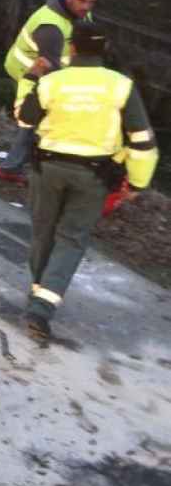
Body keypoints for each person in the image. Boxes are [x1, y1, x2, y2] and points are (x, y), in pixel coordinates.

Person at [15, 22, 158, 342]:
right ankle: (41, 306)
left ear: (72, 47)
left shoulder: (52, 81)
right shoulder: (121, 86)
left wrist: (30, 78)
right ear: (104, 50)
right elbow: (142, 140)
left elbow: (24, 118)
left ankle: (40, 295)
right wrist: (136, 183)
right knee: (72, 239)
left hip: (48, 169)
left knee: (44, 232)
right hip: (94, 176)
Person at [0, 0, 98, 184]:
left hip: (46, 69)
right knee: (33, 120)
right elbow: (52, 70)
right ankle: (11, 168)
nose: (86, 7)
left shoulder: (80, 14)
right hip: (30, 71)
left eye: (91, 2)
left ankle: (20, 165)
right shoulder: (51, 28)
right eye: (82, 1)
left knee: (36, 121)